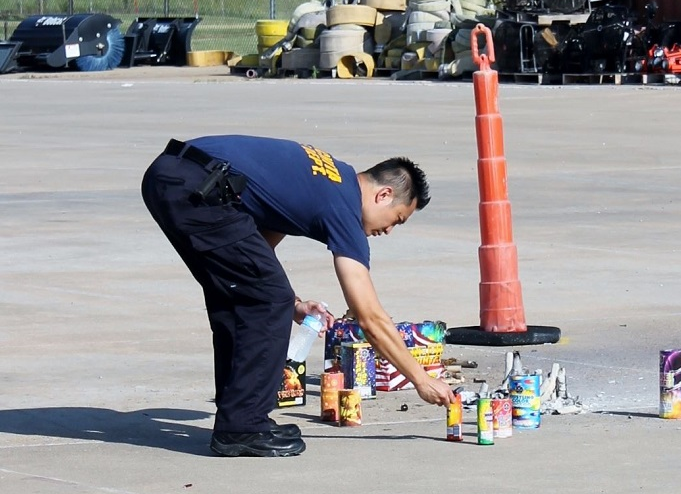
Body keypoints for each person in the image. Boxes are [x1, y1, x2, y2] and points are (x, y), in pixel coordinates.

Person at [142, 135, 455, 457]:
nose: (388, 230)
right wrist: (421, 379)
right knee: (264, 301)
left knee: (240, 297)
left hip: (179, 174)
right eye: (397, 220)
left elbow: (259, 244)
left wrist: (292, 303)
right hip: (198, 188)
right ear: (384, 194)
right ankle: (242, 427)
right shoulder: (344, 206)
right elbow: (369, 316)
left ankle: (240, 418)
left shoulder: (333, 177)